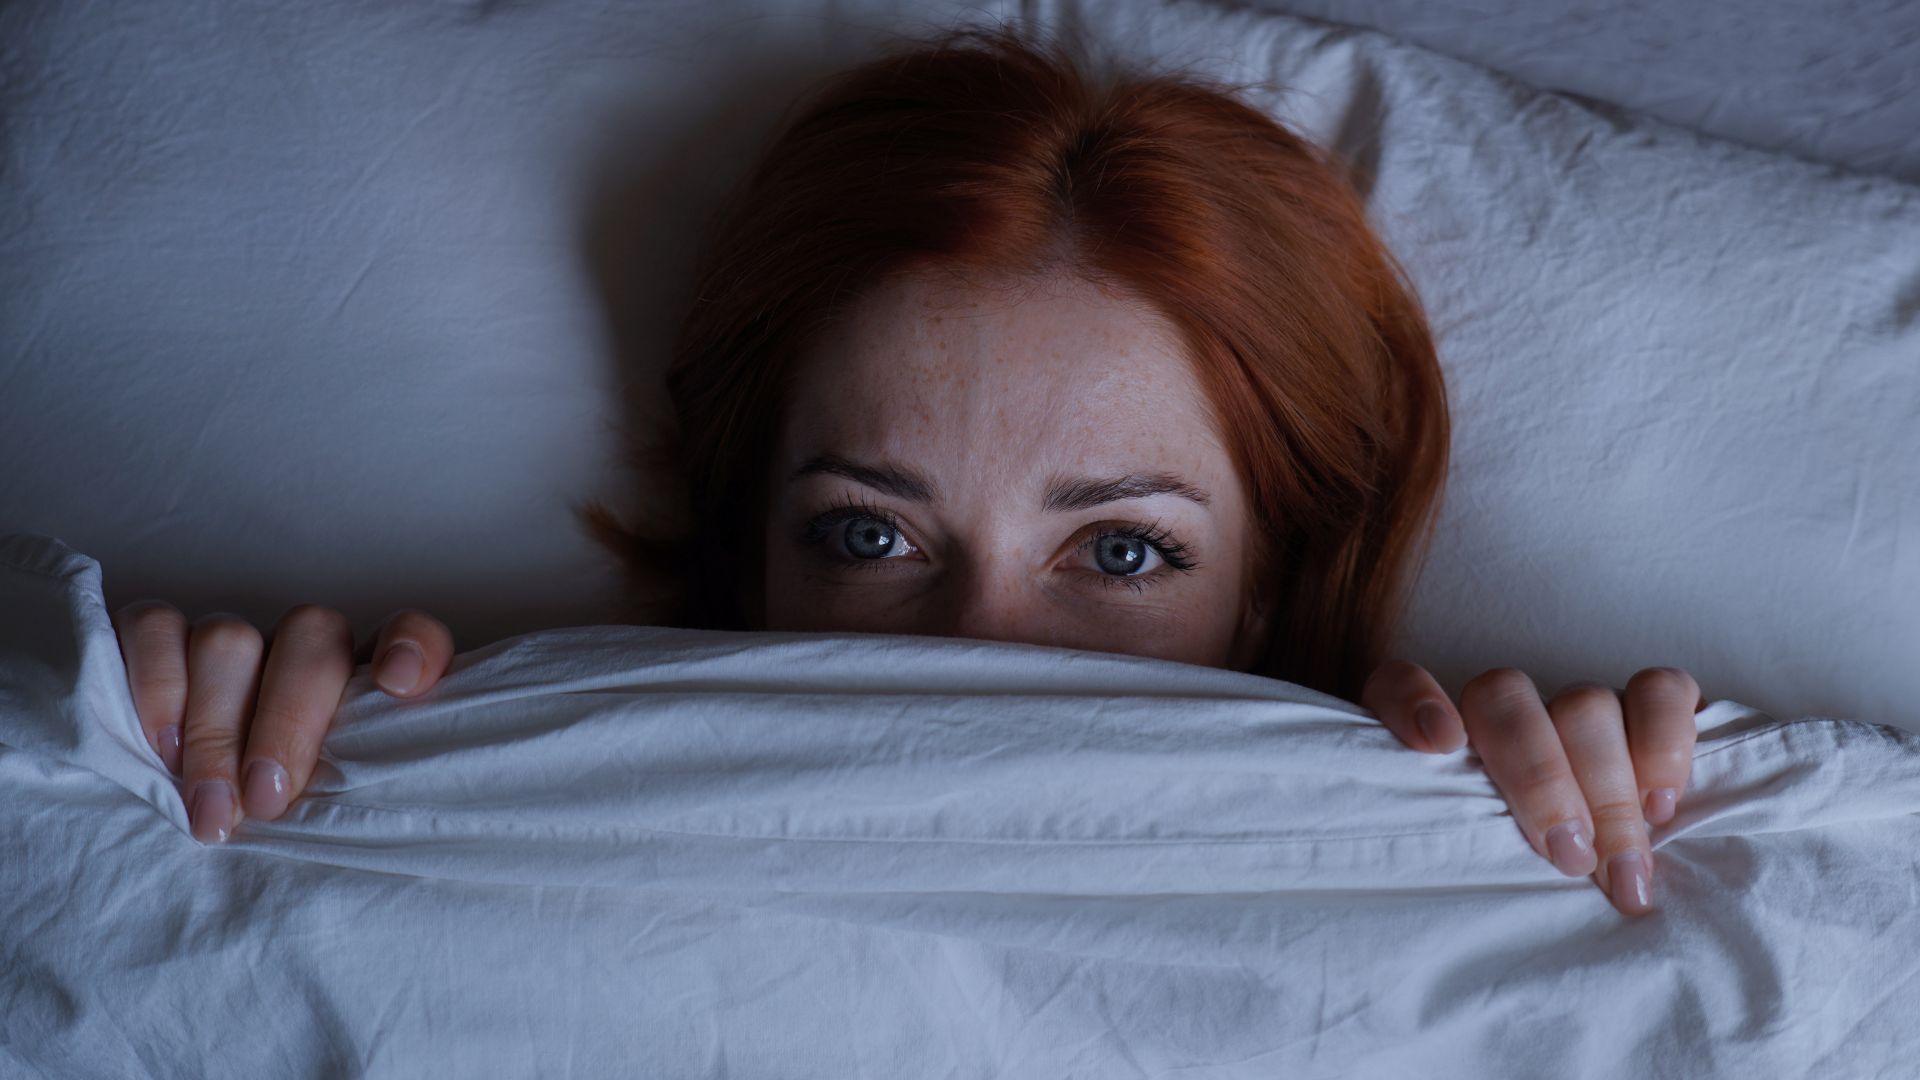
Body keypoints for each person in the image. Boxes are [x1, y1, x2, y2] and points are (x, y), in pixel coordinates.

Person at [109, 23, 1701, 917]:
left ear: (1271, 582)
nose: (979, 651)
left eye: (1123, 552)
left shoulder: (1446, 867)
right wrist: (175, 758)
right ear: (747, 549)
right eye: (868, 535)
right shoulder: (459, 808)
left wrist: (1607, 831)